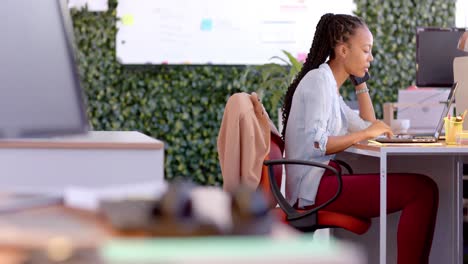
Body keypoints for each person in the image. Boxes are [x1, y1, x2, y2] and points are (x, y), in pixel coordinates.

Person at [281, 13, 438, 264]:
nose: (371, 58)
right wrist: (366, 133)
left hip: (324, 181)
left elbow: (368, 124)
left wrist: (360, 84)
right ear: (343, 50)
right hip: (314, 189)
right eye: (366, 50)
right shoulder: (319, 82)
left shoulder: (329, 86)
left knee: (422, 188)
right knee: (421, 190)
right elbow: (319, 142)